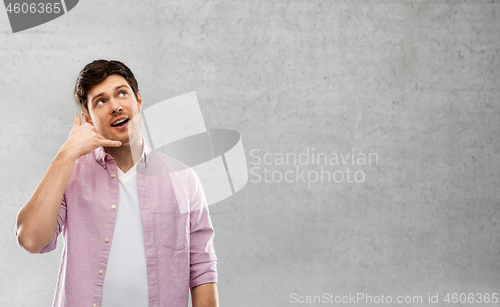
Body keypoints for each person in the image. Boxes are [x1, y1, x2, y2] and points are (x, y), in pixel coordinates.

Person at [15, 60, 218, 307]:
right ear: (88, 119)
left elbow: (202, 269)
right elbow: (30, 239)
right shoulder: (71, 175)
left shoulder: (183, 180)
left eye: (122, 93)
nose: (115, 106)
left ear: (138, 100)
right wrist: (66, 154)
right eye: (101, 101)